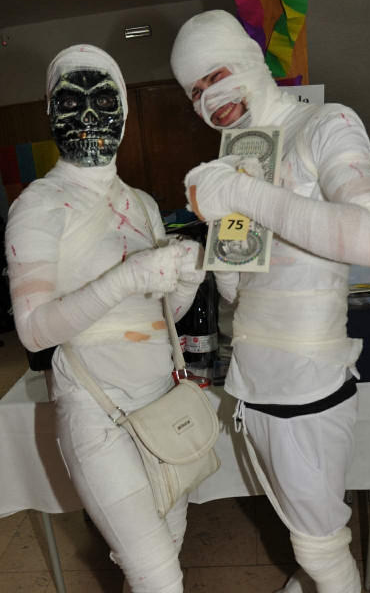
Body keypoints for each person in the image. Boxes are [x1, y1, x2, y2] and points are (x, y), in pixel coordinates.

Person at [170, 10, 370, 593]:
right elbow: (239, 290)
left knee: (319, 545)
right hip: (253, 383)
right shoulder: (236, 155)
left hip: (307, 384)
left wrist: (243, 192)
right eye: (194, 91)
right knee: (301, 527)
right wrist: (207, 256)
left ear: (248, 60)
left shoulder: (325, 123)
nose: (208, 99)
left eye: (215, 75)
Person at [6, 44, 205, 593]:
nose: (90, 115)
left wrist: (185, 281)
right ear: (51, 113)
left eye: (104, 101)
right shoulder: (39, 205)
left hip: (161, 404)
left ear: (124, 113)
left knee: (165, 551)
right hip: (96, 411)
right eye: (73, 102)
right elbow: (33, 330)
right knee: (159, 576)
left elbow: (164, 317)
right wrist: (125, 278)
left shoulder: (142, 204)